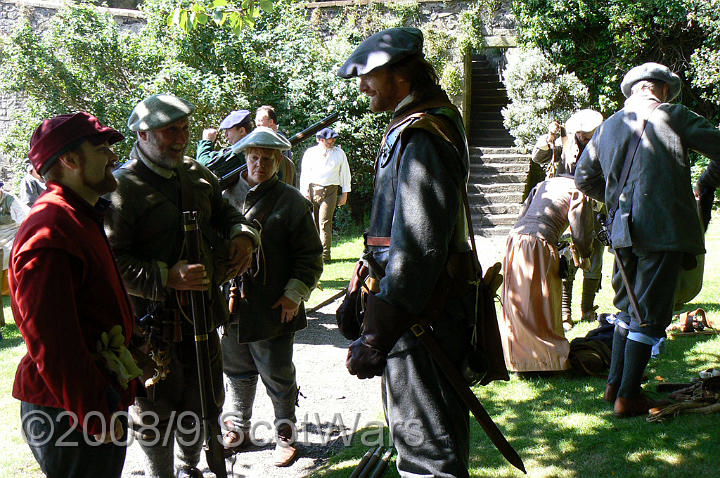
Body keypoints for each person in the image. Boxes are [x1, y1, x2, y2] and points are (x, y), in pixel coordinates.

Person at [338, 27, 477, 477]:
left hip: (421, 323)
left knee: (427, 457)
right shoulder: (419, 124)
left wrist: (376, 337)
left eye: (369, 76)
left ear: (400, 76)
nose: (362, 87)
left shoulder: (422, 135)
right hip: (416, 317)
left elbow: (417, 250)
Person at [105, 93, 259, 478]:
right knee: (155, 412)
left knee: (204, 402)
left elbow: (229, 216)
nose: (180, 138)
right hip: (152, 330)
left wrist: (244, 236)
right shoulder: (123, 188)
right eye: (169, 131)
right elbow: (112, 261)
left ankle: (192, 467)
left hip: (204, 317)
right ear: (142, 135)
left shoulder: (197, 175)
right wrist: (166, 275)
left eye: (185, 129)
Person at [575, 62, 720, 418]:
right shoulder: (672, 115)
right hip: (663, 229)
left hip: (621, 233)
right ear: (663, 89)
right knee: (650, 316)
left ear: (635, 89)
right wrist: (707, 183)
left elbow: (582, 179)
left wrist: (617, 199)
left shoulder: (608, 126)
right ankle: (628, 397)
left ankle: (614, 386)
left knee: (628, 311)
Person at [11, 112, 139, 477]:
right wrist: (93, 412)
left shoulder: (76, 215)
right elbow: (53, 342)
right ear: (69, 160)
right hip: (68, 411)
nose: (113, 157)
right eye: (100, 149)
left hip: (89, 400)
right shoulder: (49, 232)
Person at [220, 127, 323, 467]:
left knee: (277, 373)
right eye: (253, 157)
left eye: (267, 158)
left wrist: (294, 295)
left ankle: (285, 433)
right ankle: (237, 428)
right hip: (230, 303)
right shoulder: (222, 195)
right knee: (235, 370)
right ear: (245, 157)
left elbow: (310, 256)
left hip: (273, 306)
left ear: (278, 160)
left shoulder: (292, 201)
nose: (259, 164)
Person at [500, 175, 594, 372]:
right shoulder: (578, 189)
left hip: (515, 240)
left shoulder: (544, 183)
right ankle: (547, 360)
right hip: (538, 243)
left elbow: (524, 212)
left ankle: (519, 360)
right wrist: (585, 253)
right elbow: (580, 228)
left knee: (519, 304)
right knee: (541, 303)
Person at [532, 109, 605, 326]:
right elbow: (537, 157)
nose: (584, 137)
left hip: (595, 206)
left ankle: (588, 309)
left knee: (595, 257)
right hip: (566, 207)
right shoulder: (563, 141)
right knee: (566, 259)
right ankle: (565, 312)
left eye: (588, 134)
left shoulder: (604, 143)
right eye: (582, 133)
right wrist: (547, 139)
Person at [299, 127, 351, 262]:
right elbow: (305, 174)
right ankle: (314, 254)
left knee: (325, 223)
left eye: (334, 139)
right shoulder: (310, 153)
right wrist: (305, 193)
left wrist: (345, 193)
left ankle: (325, 256)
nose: (332, 142)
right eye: (329, 140)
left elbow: (345, 174)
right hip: (313, 190)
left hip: (331, 191)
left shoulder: (339, 153)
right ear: (321, 140)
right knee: (313, 223)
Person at [196, 109, 252, 180]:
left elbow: (203, 166)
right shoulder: (251, 146)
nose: (226, 135)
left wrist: (206, 141)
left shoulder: (240, 151)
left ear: (242, 131)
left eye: (228, 130)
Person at [254, 105, 297, 186]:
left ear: (271, 122)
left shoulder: (276, 140)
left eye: (260, 120)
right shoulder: (276, 139)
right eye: (256, 120)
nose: (257, 124)